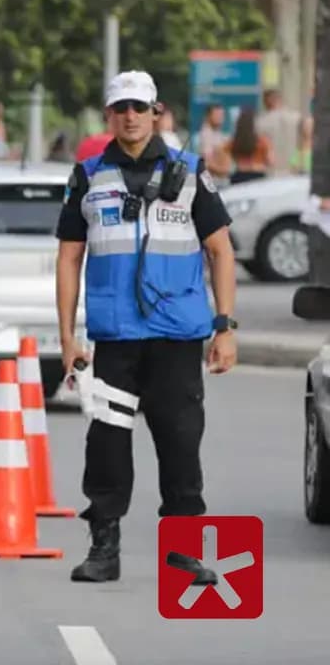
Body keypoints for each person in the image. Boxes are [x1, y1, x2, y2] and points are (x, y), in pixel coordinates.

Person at [54, 70, 238, 584]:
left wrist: (225, 327)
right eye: (121, 108)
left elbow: (220, 250)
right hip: (115, 339)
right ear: (108, 115)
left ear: (155, 112)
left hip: (177, 337)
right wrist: (68, 337)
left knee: (180, 443)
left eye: (140, 107)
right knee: (107, 446)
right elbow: (70, 258)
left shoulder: (190, 171)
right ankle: (104, 548)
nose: (130, 116)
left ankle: (182, 553)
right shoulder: (88, 176)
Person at [209, 108, 273, 185]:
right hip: (258, 176)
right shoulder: (263, 141)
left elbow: (219, 155)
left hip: (239, 176)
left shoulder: (233, 142)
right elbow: (271, 161)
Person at [256, 88, 302, 176]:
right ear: (280, 100)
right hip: (294, 168)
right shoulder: (297, 118)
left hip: (271, 171)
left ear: (265, 102)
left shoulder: (260, 122)